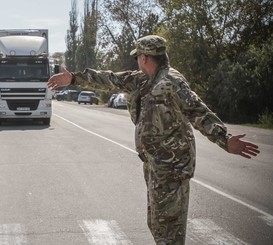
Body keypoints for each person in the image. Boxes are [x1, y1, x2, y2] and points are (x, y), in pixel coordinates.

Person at [47, 35, 260, 244]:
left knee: (169, 231)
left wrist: (225, 139)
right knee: (158, 224)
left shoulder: (172, 81)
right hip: (155, 166)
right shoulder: (142, 80)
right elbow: (110, 79)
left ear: (145, 58)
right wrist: (74, 78)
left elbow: (198, 111)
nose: (137, 60)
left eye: (137, 55)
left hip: (173, 168)